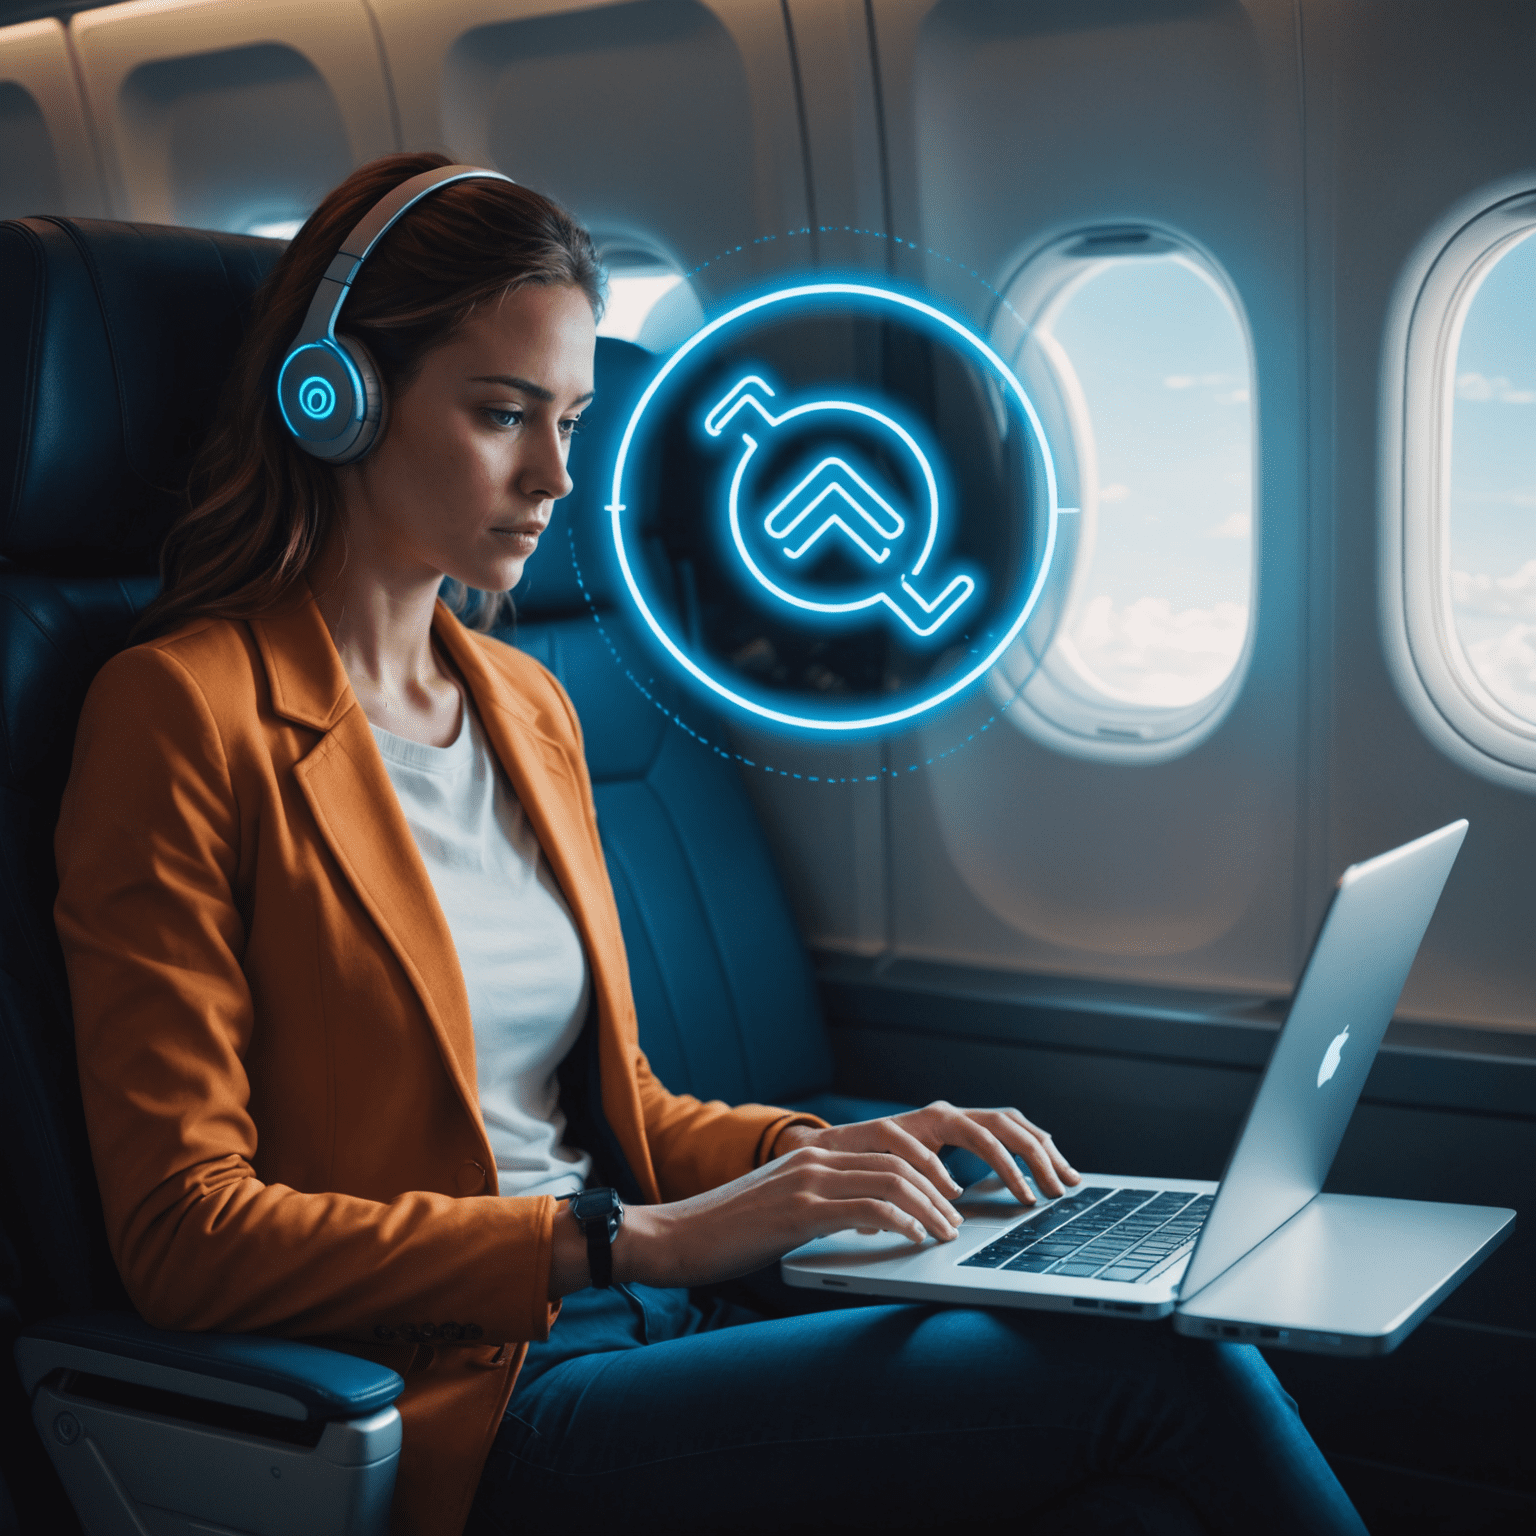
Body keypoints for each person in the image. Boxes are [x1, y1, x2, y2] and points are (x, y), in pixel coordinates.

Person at [54, 152, 1366, 1536]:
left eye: (570, 419)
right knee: (1156, 1373)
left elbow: (617, 1109)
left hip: (651, 1323)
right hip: (468, 1400)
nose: (558, 475)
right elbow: (186, 1239)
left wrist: (842, 1155)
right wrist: (630, 1238)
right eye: (503, 415)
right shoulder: (182, 715)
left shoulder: (522, 705)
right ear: (337, 402)